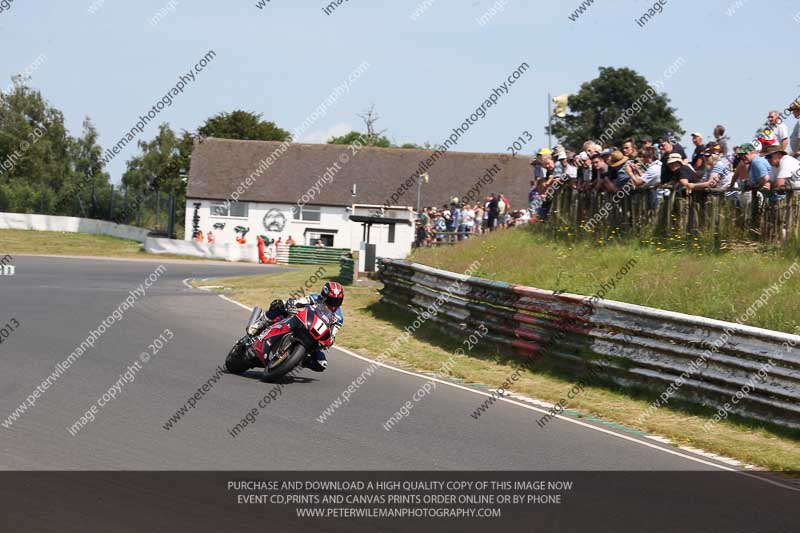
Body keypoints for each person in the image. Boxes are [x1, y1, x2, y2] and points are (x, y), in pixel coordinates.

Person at [247, 281, 345, 372]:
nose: (334, 304)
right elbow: (301, 301)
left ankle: (297, 360)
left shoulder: (339, 317)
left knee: (321, 364)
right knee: (279, 304)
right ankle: (259, 324)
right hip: (302, 321)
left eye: (337, 301)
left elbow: (333, 335)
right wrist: (292, 303)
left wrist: (329, 341)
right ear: (324, 296)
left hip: (314, 338)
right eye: (331, 300)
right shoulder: (316, 298)